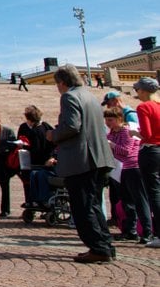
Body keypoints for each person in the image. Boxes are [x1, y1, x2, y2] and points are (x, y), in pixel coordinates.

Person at [46, 64, 117, 263]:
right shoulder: (90, 96)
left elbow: (72, 126)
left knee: (83, 206)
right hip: (99, 158)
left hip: (82, 159)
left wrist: (53, 135)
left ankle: (98, 248)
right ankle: (105, 245)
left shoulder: (69, 97)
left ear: (62, 82)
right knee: (94, 205)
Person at [104, 107, 151, 243]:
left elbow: (126, 151)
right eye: (106, 120)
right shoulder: (113, 132)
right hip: (123, 168)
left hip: (134, 167)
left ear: (119, 119)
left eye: (111, 120)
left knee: (139, 200)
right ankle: (130, 230)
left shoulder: (126, 131)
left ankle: (147, 231)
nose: (108, 123)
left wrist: (111, 145)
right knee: (126, 201)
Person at [133, 77, 160, 248]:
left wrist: (134, 133)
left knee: (154, 194)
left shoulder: (143, 107)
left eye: (137, 90)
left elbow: (147, 134)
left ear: (143, 91)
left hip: (150, 151)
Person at [16, 105, 54, 207]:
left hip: (37, 162)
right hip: (47, 159)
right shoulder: (45, 126)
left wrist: (23, 146)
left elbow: (35, 149)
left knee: (33, 180)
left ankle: (36, 201)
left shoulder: (35, 131)